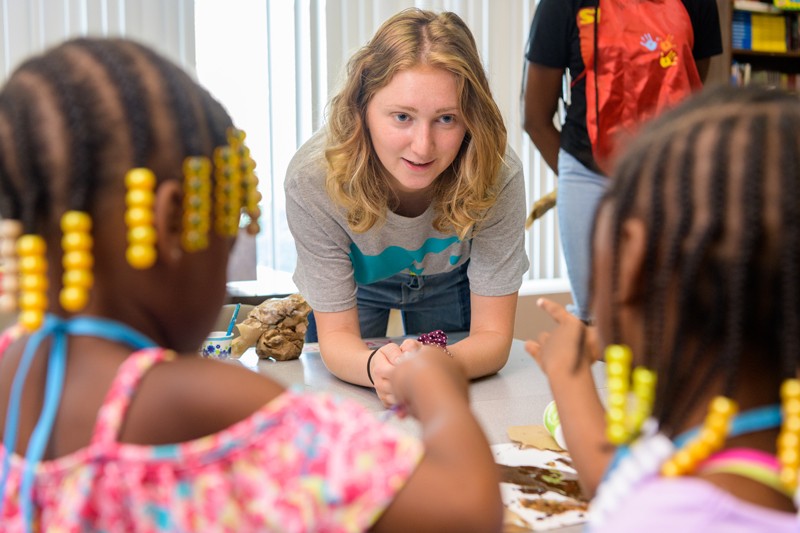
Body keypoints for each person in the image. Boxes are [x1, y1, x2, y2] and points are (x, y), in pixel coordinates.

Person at [0, 37, 504, 532]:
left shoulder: (10, 366)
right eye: (231, 227)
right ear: (173, 222)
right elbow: (467, 507)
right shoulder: (206, 404)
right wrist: (436, 388)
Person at [527, 84, 800, 530]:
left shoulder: (665, 519)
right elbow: (624, 476)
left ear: (631, 260)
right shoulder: (755, 440)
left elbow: (621, 493)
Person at [285, 8, 528, 406]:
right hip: (358, 284)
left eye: (447, 119)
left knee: (457, 405)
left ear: (472, 119)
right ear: (362, 108)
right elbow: (337, 340)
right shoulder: (313, 179)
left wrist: (433, 367)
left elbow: (493, 340)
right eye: (402, 117)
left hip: (448, 279)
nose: (422, 146)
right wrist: (375, 370)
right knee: (341, 401)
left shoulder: (498, 175)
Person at [522, 0, 722, 323]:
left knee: (670, 315)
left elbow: (690, 90)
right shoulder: (562, 5)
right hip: (589, 174)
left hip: (671, 179)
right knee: (598, 318)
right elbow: (535, 118)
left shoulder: (699, 3)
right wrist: (580, 184)